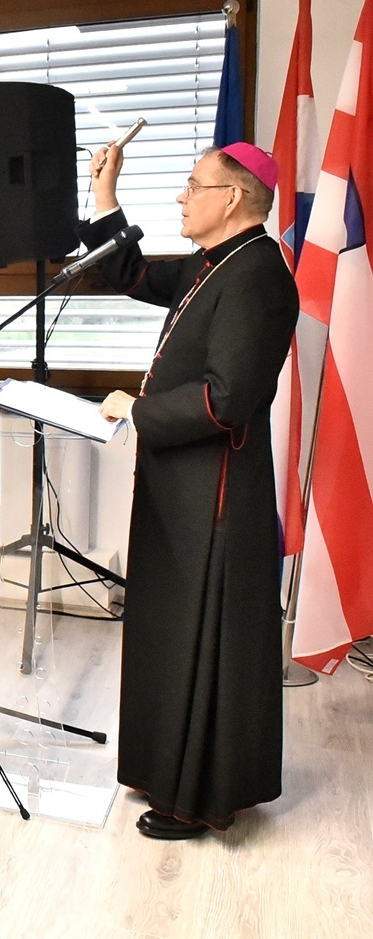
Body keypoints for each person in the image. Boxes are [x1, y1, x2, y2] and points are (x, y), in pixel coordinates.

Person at [90, 141, 298, 840]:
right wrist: (105, 192)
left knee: (200, 638)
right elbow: (127, 270)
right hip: (181, 482)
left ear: (231, 197)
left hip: (215, 492)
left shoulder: (258, 275)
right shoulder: (213, 263)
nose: (181, 197)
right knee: (169, 633)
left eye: (192, 185)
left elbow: (227, 398)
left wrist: (138, 410)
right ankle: (164, 770)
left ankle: (196, 798)